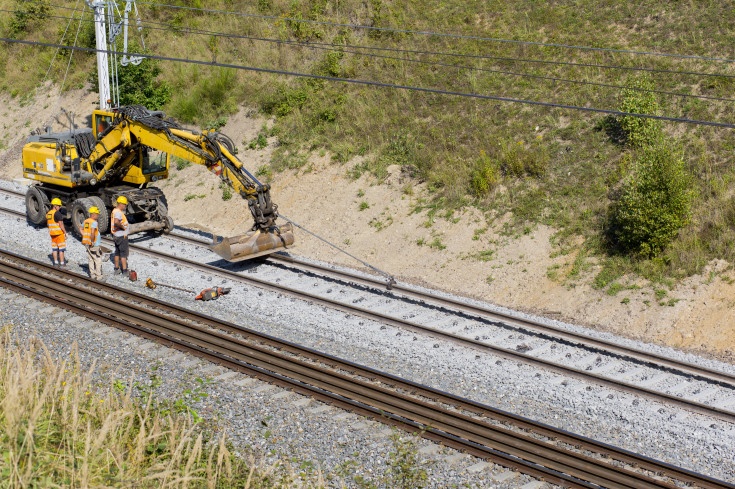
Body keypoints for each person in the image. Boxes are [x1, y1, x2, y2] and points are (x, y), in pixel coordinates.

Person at [81, 206, 103, 281]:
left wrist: (84, 236)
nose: (98, 215)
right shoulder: (94, 222)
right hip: (94, 244)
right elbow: (92, 232)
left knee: (90, 259)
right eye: (97, 214)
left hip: (86, 243)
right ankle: (98, 276)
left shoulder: (86, 221)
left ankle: (92, 275)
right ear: (93, 215)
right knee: (98, 259)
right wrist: (92, 241)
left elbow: (81, 228)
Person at [111, 196, 130, 276]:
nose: (125, 206)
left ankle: (116, 269)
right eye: (125, 204)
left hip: (116, 235)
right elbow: (116, 222)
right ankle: (125, 271)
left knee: (117, 252)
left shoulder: (114, 211)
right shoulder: (118, 212)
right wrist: (122, 227)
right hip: (121, 236)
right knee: (123, 254)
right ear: (121, 204)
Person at [46, 198, 67, 267]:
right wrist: (65, 232)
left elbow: (48, 224)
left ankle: (55, 262)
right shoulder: (58, 213)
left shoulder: (49, 213)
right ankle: (62, 263)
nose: (60, 207)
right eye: (59, 206)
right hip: (59, 234)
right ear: (55, 206)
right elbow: (61, 224)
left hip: (52, 234)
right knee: (61, 249)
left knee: (54, 249)